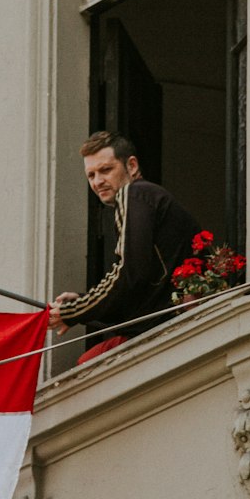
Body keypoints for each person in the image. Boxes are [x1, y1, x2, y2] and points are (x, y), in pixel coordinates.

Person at [49, 131, 201, 363]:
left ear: (131, 166)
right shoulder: (146, 198)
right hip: (166, 327)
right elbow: (133, 291)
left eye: (106, 170)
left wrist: (75, 310)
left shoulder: (134, 193)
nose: (97, 181)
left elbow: (130, 274)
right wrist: (83, 301)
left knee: (86, 368)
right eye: (90, 175)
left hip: (163, 330)